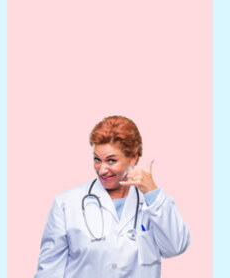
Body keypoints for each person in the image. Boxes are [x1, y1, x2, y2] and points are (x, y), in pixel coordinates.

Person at [35, 115, 189, 277]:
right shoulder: (66, 204)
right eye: (97, 160)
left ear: (133, 157)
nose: (101, 170)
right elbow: (49, 270)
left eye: (111, 161)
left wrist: (153, 194)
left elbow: (175, 247)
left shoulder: (153, 203)